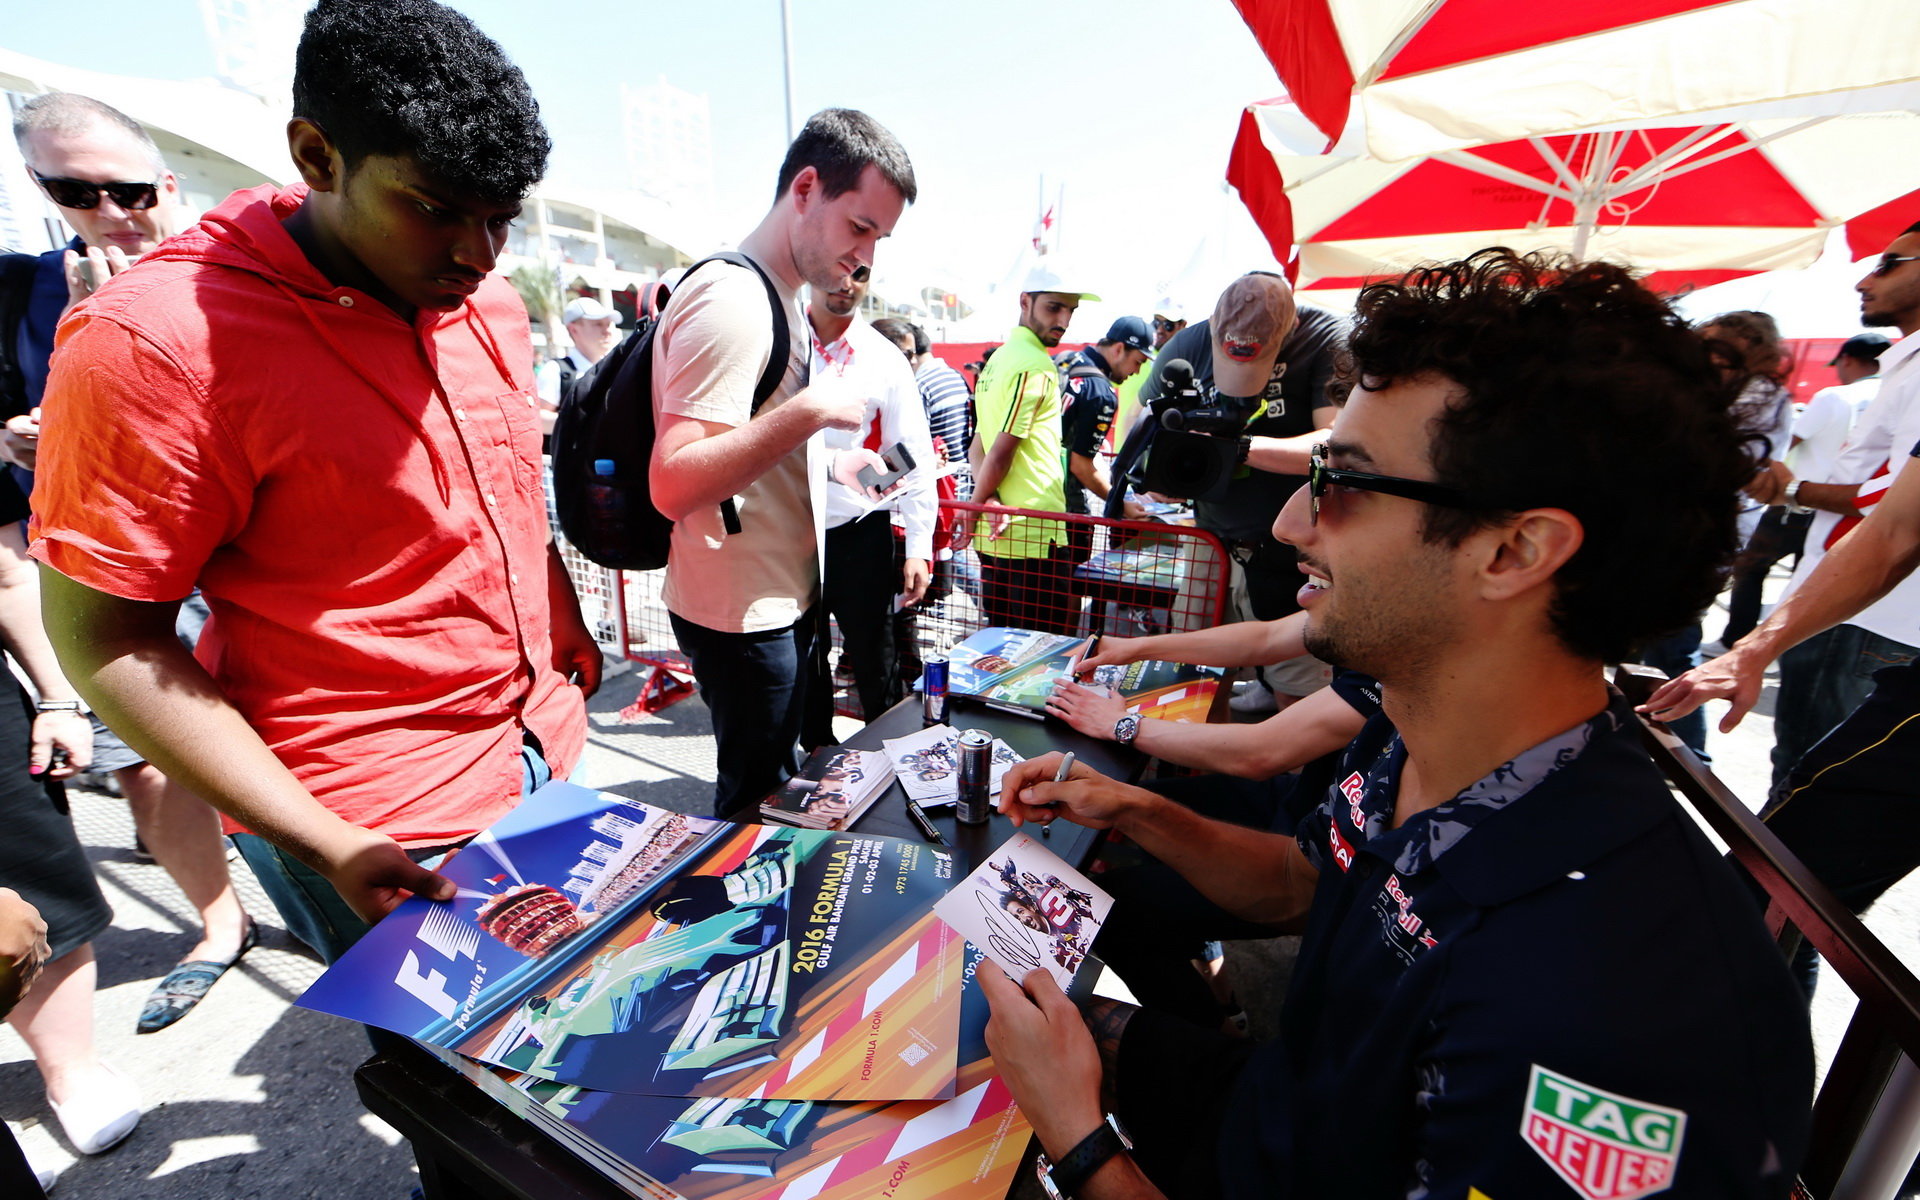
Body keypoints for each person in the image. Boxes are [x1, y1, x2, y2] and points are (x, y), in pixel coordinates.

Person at [982, 250, 1811, 1200]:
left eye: (1343, 481)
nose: (1293, 524)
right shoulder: (1421, 729)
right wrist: (1135, 810)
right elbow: (1303, 880)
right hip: (1279, 1114)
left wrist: (1083, 1141)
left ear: (1514, 549)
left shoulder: (1607, 1018)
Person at [30, 0, 598, 964]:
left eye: (500, 218)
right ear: (317, 156)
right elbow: (106, 641)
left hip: (541, 742)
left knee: (581, 1054)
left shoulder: (485, 303)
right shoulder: (157, 343)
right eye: (435, 208)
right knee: (469, 1101)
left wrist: (561, 621)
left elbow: (501, 498)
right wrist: (322, 838)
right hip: (373, 817)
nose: (479, 255)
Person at [4, 92, 254, 1034]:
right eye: (78, 190)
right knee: (150, 765)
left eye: (129, 188)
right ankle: (219, 921)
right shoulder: (22, 297)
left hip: (242, 567)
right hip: (113, 577)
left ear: (168, 182)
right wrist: (33, 428)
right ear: (43, 190)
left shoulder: (233, 277)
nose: (111, 211)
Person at [1644, 223, 1920, 994]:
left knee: (1781, 878)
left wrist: (1756, 642)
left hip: (1881, 628)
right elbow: (1894, 519)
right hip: (1864, 618)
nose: (1867, 274)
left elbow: (1891, 521)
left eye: (1892, 261)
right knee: (1784, 863)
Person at [649, 108, 914, 818]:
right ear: (805, 189)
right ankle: (744, 926)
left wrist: (829, 467)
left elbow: (747, 445)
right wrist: (810, 412)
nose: (864, 256)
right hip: (743, 612)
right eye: (859, 227)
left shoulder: (779, 297)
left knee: (779, 796)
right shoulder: (735, 297)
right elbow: (674, 481)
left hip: (772, 598)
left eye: (878, 239)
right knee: (753, 812)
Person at [1118, 274, 1347, 714]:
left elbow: (1338, 447)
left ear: (1288, 327)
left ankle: (1290, 780)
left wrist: (1237, 451)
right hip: (1212, 542)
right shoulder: (1189, 343)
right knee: (1191, 678)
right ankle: (1197, 773)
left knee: (1295, 690)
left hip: (1293, 550)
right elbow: (1135, 424)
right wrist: (1158, 467)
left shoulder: (1323, 338)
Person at [799, 267, 935, 742]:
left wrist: (919, 546)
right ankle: (814, 758)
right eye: (834, 267)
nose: (845, 280)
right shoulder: (781, 339)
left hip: (858, 532)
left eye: (860, 271)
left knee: (877, 662)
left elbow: (913, 452)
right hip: (789, 531)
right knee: (802, 661)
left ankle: (893, 761)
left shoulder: (883, 357)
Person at [965, 260, 1098, 635]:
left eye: (1070, 310)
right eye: (1053, 307)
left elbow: (980, 442)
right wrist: (978, 505)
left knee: (1001, 648)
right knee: (1040, 659)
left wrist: (983, 502)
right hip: (1033, 534)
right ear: (1025, 302)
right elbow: (1000, 447)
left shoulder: (998, 361)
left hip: (1002, 531)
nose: (1064, 320)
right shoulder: (1035, 364)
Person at [1061, 316, 1153, 520]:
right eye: (1138, 362)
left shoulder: (1062, 360)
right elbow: (1080, 466)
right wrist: (1119, 504)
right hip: (1065, 509)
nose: (1137, 371)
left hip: (1024, 495)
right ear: (1119, 349)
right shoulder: (1101, 393)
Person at [533, 295, 622, 437]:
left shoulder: (617, 368)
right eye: (598, 324)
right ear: (574, 330)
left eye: (609, 324)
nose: (607, 331)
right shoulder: (556, 371)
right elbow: (538, 418)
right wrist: (581, 422)